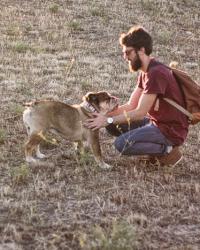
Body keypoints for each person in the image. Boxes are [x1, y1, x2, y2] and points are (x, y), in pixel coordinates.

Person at [85, 25, 189, 166]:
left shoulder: (156, 73)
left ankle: (168, 150)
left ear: (141, 50)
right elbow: (131, 105)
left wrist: (107, 120)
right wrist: (103, 116)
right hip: (156, 123)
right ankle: (154, 148)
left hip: (170, 130)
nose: (125, 57)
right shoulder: (145, 72)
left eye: (128, 53)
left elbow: (140, 113)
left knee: (122, 144)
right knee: (112, 125)